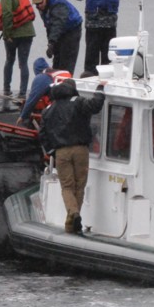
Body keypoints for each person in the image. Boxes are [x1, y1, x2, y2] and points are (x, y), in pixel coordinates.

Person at [37, 76, 106, 234]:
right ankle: (74, 218)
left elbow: (42, 134)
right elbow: (95, 105)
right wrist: (100, 89)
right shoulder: (79, 102)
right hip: (81, 149)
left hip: (61, 152)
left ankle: (72, 217)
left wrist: (51, 151)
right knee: (79, 186)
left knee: (67, 187)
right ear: (73, 89)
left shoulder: (48, 110)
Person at [71, 0, 129, 77]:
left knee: (109, 53)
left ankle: (108, 76)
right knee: (92, 52)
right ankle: (90, 76)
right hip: (93, 23)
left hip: (110, 23)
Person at [0, 0, 37, 99]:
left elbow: (7, 13)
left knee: (9, 60)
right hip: (28, 32)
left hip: (14, 33)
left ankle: (7, 90)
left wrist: (7, 34)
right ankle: (23, 93)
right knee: (23, 63)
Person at [34, 0, 83, 75]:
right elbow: (49, 26)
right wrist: (50, 45)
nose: (39, 6)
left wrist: (52, 43)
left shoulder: (58, 4)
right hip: (59, 32)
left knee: (66, 61)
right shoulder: (42, 8)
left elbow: (58, 24)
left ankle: (66, 83)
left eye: (40, 3)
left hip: (72, 30)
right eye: (36, 4)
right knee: (57, 60)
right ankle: (56, 83)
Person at [20, 57, 55, 123]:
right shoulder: (58, 72)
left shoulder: (42, 78)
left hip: (56, 107)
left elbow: (32, 98)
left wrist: (23, 116)